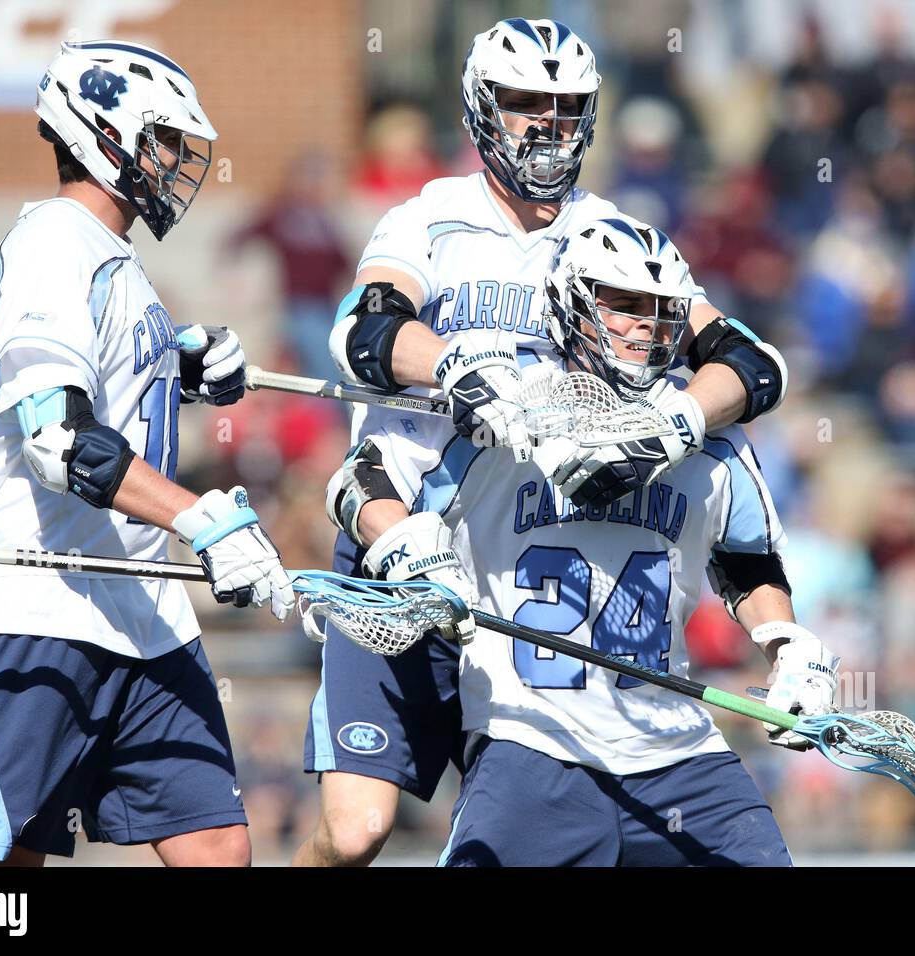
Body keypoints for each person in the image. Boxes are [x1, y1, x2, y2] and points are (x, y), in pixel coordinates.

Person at [296, 17, 790, 867]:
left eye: (566, 107)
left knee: (555, 780)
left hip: (530, 545)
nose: (547, 125)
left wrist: (672, 420)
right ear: (482, 106)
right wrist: (455, 368)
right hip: (405, 528)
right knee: (355, 833)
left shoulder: (612, 234)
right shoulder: (432, 220)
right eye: (527, 102)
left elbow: (749, 365)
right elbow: (362, 333)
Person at [333, 215, 838, 865]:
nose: (644, 327)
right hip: (532, 743)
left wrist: (787, 645)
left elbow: (748, 562)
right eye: (623, 305)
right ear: (571, 302)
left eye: (660, 312)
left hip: (678, 751)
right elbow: (360, 480)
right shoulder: (505, 407)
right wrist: (410, 544)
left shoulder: (707, 433)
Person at [0, 40, 293, 867]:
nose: (176, 160)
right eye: (163, 139)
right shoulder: (52, 243)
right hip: (38, 605)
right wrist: (201, 518)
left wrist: (177, 363)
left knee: (219, 849)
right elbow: (58, 439)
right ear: (104, 134)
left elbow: (103, 384)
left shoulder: (113, 257)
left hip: (140, 608)